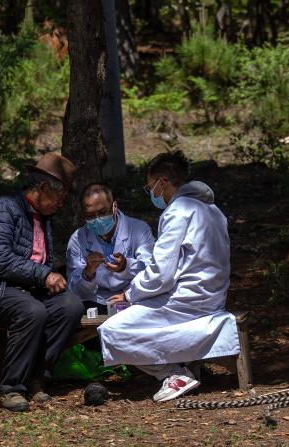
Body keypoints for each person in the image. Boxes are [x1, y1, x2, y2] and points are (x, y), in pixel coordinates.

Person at [0, 152, 84, 414]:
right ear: (42, 188)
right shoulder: (4, 208)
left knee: (71, 306)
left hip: (25, 288)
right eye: (60, 195)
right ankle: (10, 387)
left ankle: (35, 374)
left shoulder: (42, 217)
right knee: (32, 311)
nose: (62, 202)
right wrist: (44, 275)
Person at [99, 150, 239, 403]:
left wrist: (131, 294)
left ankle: (172, 374)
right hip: (213, 296)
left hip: (186, 299)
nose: (150, 192)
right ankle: (184, 367)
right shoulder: (212, 209)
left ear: (161, 182)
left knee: (112, 329)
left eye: (149, 186)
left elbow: (161, 274)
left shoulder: (177, 212)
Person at [66, 183, 155, 310]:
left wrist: (126, 267)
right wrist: (87, 273)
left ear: (114, 206)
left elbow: (151, 271)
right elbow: (74, 288)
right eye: (90, 216)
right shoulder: (78, 239)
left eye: (102, 213)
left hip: (133, 297)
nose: (97, 220)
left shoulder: (139, 230)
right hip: (96, 301)